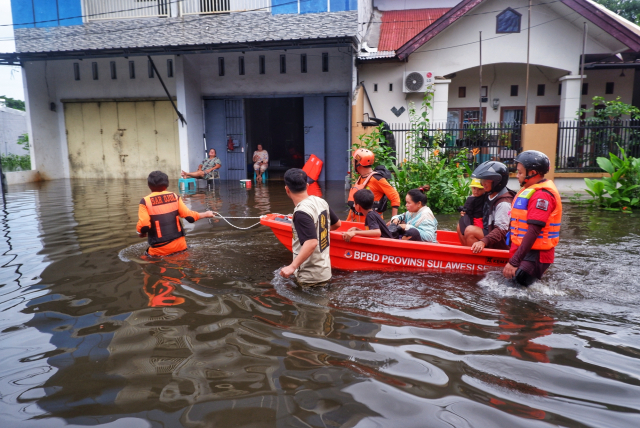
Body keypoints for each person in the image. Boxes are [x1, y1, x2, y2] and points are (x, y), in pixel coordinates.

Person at [503, 151, 562, 286]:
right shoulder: (531, 190)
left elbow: (534, 231)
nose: (517, 176)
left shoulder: (541, 196)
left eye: (520, 172)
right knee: (512, 287)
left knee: (515, 287)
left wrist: (514, 262)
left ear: (532, 172)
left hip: (536, 253)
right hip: (525, 251)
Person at [280, 168, 342, 287]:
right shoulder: (320, 201)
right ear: (307, 186)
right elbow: (337, 224)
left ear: (287, 189)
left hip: (309, 278)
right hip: (325, 272)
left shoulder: (301, 213)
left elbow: (311, 242)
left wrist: (292, 266)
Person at [137, 171, 214, 257]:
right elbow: (190, 217)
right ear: (167, 184)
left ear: (149, 185)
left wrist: (142, 232)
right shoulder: (175, 197)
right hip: (181, 247)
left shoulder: (145, 201)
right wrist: (206, 214)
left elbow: (144, 226)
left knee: (143, 261)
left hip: (160, 251)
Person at [460, 161, 515, 252]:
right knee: (461, 226)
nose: (483, 183)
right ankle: (466, 256)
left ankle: (475, 262)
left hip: (500, 241)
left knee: (470, 230)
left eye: (487, 180)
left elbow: (501, 230)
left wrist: (483, 242)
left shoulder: (504, 203)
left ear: (498, 181)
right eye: (482, 180)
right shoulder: (488, 194)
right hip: (488, 232)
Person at [347, 148, 401, 223]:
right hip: (357, 221)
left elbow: (395, 196)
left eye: (354, 161)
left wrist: (393, 220)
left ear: (359, 163)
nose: (353, 163)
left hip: (371, 223)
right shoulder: (361, 177)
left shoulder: (377, 179)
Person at [456, 178, 487, 244]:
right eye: (474, 188)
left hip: (481, 220)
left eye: (479, 189)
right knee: (462, 227)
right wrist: (463, 211)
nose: (476, 191)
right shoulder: (471, 199)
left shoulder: (485, 196)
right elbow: (467, 211)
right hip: (475, 219)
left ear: (484, 189)